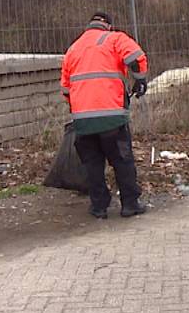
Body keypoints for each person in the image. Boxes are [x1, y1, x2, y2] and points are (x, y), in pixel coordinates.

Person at [61, 11, 149, 218]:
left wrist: (79, 107)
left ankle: (99, 207)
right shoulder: (114, 38)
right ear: (108, 25)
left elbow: (66, 89)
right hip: (111, 115)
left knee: (92, 164)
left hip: (82, 119)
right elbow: (136, 57)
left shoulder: (73, 49)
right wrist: (140, 80)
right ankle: (129, 204)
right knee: (121, 159)